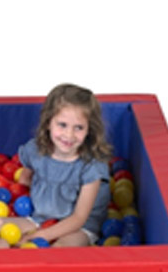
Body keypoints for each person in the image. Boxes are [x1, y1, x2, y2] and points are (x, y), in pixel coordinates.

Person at [7, 83, 113, 247]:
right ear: (48, 122)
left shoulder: (91, 166)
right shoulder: (35, 150)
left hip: (78, 227)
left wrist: (40, 236)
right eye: (62, 125)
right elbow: (24, 181)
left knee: (61, 250)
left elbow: (79, 218)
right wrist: (20, 208)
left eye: (79, 128)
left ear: (89, 130)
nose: (69, 135)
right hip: (39, 218)